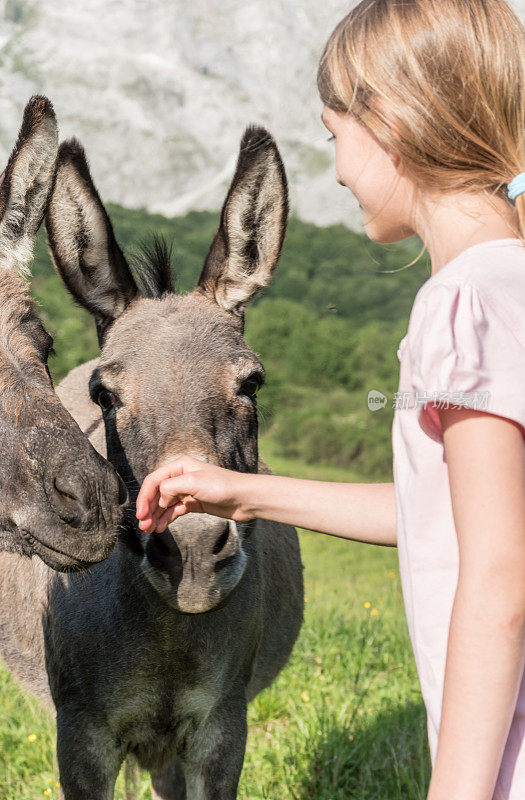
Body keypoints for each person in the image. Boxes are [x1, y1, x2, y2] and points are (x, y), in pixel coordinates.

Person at [136, 1, 525, 797]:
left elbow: (498, 580)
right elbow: (447, 511)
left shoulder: (461, 304)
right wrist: (245, 492)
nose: (338, 167)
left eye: (332, 133)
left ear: (390, 123)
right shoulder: (509, 286)